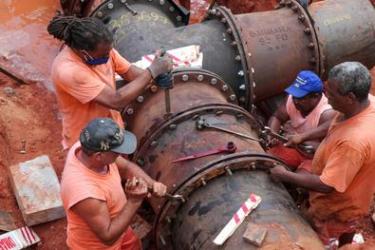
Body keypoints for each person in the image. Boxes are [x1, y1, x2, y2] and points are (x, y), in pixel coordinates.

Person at [270, 62, 375, 247]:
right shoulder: (366, 103)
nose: (326, 97)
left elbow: (327, 186)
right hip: (352, 190)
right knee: (346, 229)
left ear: (350, 97)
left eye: (331, 94)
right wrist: (307, 140)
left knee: (321, 238)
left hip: (337, 206)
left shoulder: (353, 142)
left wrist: (284, 175)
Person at [47, 15, 172, 149]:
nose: (108, 56)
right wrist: (152, 71)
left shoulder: (104, 50)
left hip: (111, 126)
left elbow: (129, 72)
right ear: (84, 53)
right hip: (87, 139)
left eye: (109, 51)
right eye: (103, 55)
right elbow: (115, 101)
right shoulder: (68, 71)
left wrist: (157, 75)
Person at [61, 117, 167, 249]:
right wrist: (134, 201)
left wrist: (152, 185)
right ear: (99, 156)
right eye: (117, 151)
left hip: (120, 226)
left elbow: (126, 167)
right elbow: (108, 236)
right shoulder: (85, 193)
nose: (121, 154)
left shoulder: (86, 148)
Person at [267, 70, 336, 173]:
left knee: (300, 179)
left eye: (301, 98)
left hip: (315, 158)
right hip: (295, 148)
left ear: (316, 96)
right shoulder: (293, 99)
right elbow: (277, 117)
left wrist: (305, 142)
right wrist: (272, 135)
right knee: (267, 159)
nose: (295, 101)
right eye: (295, 96)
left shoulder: (326, 114)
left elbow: (330, 150)